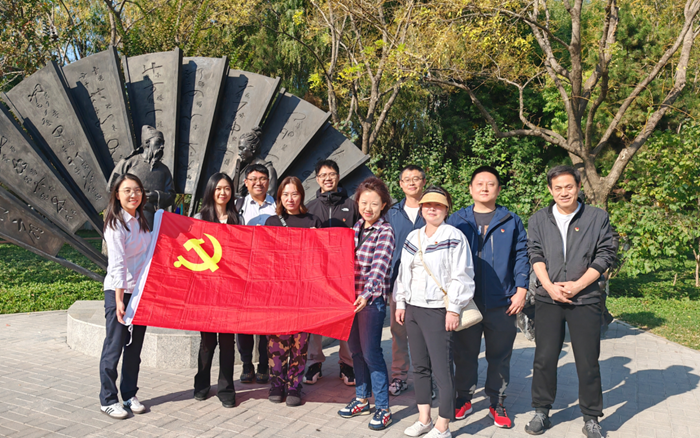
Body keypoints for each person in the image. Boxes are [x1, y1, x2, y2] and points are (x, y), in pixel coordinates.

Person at [525, 165, 616, 438]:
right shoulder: (539, 219)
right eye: (558, 188)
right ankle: (541, 411)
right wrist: (549, 286)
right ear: (550, 190)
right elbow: (535, 254)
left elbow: (605, 255)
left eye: (569, 186)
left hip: (585, 299)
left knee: (588, 361)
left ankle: (591, 417)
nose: (563, 192)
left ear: (578, 187)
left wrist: (577, 285)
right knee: (544, 358)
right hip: (548, 299)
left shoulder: (597, 217)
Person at [446, 166, 529, 428]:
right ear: (470, 189)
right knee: (464, 354)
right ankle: (463, 398)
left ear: (499, 189)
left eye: (490, 184)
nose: (484, 188)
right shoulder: (457, 220)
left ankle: (497, 401)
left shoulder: (511, 220)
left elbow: (522, 256)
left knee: (500, 355)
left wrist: (521, 290)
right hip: (467, 301)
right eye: (479, 183)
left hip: (502, 301)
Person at [396, 186, 475, 438]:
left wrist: (454, 309)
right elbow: (403, 273)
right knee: (419, 366)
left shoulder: (454, 236)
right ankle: (424, 419)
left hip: (439, 310)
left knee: (442, 369)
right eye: (428, 204)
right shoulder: (413, 236)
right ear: (421, 208)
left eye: (438, 205)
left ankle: (443, 425)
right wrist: (401, 302)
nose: (432, 208)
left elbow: (462, 275)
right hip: (413, 308)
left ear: (446, 209)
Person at [337, 177, 395, 431]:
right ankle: (362, 399)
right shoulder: (353, 229)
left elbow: (379, 268)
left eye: (374, 203)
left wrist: (367, 293)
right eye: (363, 202)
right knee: (356, 352)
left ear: (383, 205)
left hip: (370, 302)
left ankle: (383, 407)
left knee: (372, 353)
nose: (368, 208)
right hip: (349, 301)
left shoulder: (385, 231)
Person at [265, 176, 322, 406]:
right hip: (278, 293)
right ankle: (276, 384)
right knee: (276, 343)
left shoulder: (312, 221)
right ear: (280, 197)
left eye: (295, 194)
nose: (290, 199)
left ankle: (295, 386)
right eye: (285, 194)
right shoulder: (272, 222)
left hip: (304, 292)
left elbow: (321, 257)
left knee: (300, 343)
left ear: (301, 195)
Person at [99, 173, 151, 419]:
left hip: (139, 293)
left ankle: (129, 394)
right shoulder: (115, 224)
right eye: (127, 190)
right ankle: (108, 399)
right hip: (119, 292)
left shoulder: (142, 220)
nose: (133, 195)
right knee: (114, 346)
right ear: (117, 195)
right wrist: (119, 300)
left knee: (134, 348)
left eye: (137, 190)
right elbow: (117, 263)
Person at [304, 159, 359, 386]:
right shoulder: (309, 207)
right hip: (317, 273)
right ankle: (314, 362)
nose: (328, 178)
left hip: (344, 273)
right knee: (315, 318)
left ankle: (347, 363)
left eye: (332, 174)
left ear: (338, 176)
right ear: (317, 179)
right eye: (323, 175)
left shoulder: (352, 205)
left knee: (346, 317)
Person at [192, 173, 239, 408]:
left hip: (230, 290)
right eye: (218, 188)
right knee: (207, 341)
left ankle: (226, 388)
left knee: (228, 342)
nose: (222, 192)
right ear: (211, 190)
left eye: (227, 188)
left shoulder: (236, 218)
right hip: (206, 290)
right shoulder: (199, 219)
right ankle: (201, 384)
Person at [386, 165, 427, 396]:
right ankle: (399, 376)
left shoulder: (433, 209)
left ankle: (427, 379)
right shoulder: (391, 213)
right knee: (398, 332)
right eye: (407, 179)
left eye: (416, 178)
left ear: (423, 182)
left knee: (426, 335)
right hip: (398, 284)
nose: (411, 183)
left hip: (427, 285)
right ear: (400, 184)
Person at [235, 164, 276, 385]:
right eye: (253, 179)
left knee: (265, 323)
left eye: (262, 178)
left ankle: (263, 364)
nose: (258, 182)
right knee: (244, 323)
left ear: (268, 181)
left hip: (270, 273)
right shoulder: (237, 206)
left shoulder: (277, 206)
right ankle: (246, 364)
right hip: (243, 273)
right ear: (246, 182)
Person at [108, 125, 176, 230]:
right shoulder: (128, 163)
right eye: (159, 142)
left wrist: (156, 196)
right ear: (147, 143)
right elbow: (111, 188)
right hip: (126, 218)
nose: (162, 146)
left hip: (152, 221)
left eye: (163, 143)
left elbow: (171, 196)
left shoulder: (164, 170)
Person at [232, 127, 278, 198]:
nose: (239, 153)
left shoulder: (268, 170)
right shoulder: (242, 168)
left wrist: (241, 199)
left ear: (253, 148)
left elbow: (269, 197)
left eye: (242, 148)